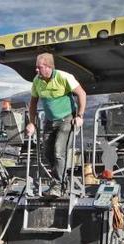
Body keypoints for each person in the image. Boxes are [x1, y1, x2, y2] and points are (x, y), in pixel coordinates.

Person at [25, 52, 87, 198]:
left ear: (48, 67)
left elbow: (82, 94)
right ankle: (61, 180)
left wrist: (80, 116)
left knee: (59, 152)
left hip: (67, 119)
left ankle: (57, 186)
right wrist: (32, 123)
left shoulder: (64, 77)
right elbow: (33, 102)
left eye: (39, 67)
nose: (36, 70)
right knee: (47, 152)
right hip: (50, 121)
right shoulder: (37, 81)